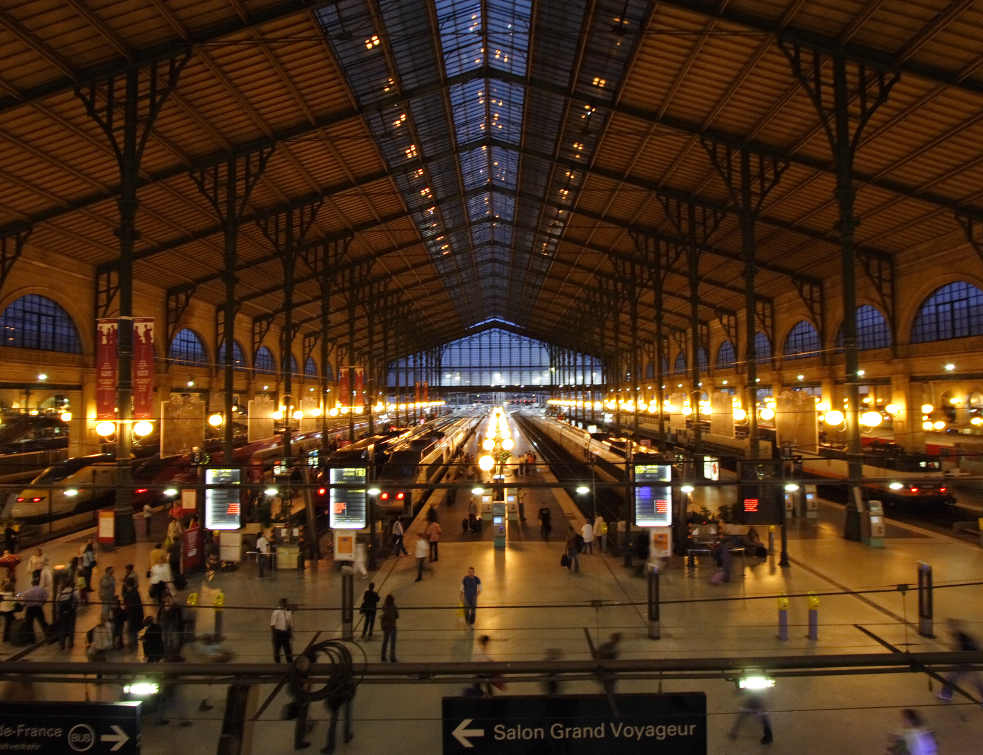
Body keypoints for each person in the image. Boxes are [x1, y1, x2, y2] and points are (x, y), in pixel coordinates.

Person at [937, 618, 983, 702]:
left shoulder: (959, 636)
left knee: (952, 677)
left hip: (964, 661)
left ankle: (946, 694)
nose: (948, 629)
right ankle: (945, 693)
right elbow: (975, 646)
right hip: (970, 659)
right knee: (974, 680)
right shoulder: (964, 636)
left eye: (950, 627)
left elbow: (961, 649)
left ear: (954, 627)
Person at [321, 680, 356, 754]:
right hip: (346, 691)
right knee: (347, 715)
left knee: (333, 722)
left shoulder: (335, 671)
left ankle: (330, 746)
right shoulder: (348, 670)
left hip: (336, 695)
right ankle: (346, 736)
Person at [157, 593, 185, 660]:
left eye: (168, 597)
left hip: (171, 624)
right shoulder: (163, 605)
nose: (167, 599)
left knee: (170, 638)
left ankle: (170, 653)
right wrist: (158, 622)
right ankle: (166, 653)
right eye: (166, 598)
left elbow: (179, 617)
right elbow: (159, 613)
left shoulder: (175, 606)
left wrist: (179, 625)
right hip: (163, 624)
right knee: (164, 638)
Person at [121, 577, 144, 650]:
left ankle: (133, 645)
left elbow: (133, 605)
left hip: (133, 615)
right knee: (131, 630)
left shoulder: (133, 592)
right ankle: (133, 644)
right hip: (132, 615)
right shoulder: (132, 591)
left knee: (131, 630)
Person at [55, 578, 78, 650]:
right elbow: (77, 601)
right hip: (71, 612)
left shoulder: (60, 593)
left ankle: (62, 644)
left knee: (62, 628)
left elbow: (57, 602)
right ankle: (70, 643)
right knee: (71, 627)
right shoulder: (74, 592)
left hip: (62, 613)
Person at [271, 597, 294, 663]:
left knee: (288, 650)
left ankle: (290, 664)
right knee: (277, 650)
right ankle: (277, 664)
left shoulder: (288, 612)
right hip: (278, 632)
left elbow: (289, 622)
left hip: (285, 633)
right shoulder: (276, 612)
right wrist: (274, 634)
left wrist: (290, 632)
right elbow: (272, 624)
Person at [379, 594, 398, 663]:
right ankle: (392, 657)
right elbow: (397, 616)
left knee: (385, 641)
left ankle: (383, 656)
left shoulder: (384, 606)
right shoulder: (393, 607)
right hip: (392, 626)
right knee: (392, 642)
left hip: (386, 626)